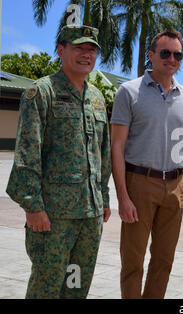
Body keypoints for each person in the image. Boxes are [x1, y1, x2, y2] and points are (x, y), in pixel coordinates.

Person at [6, 25, 111, 299]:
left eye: (92, 49)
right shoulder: (42, 92)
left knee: (76, 284)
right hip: (53, 216)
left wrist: (104, 199)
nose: (86, 54)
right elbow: (28, 152)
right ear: (61, 51)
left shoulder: (97, 98)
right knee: (47, 285)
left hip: (90, 215)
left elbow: (103, 154)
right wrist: (32, 206)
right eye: (79, 48)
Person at [111, 30, 183, 299]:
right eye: (165, 53)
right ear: (151, 55)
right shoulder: (129, 91)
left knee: (163, 262)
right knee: (133, 262)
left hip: (175, 187)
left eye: (177, 54)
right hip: (140, 184)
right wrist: (123, 197)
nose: (172, 59)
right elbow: (117, 146)